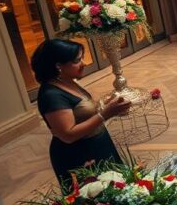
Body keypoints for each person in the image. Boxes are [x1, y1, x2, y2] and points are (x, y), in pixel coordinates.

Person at [32, 39, 131, 181]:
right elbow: (68, 134)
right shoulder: (51, 95)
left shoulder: (67, 82)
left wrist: (105, 105)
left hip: (98, 145)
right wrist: (106, 113)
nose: (84, 63)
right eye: (77, 60)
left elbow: (80, 112)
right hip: (80, 154)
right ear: (59, 66)